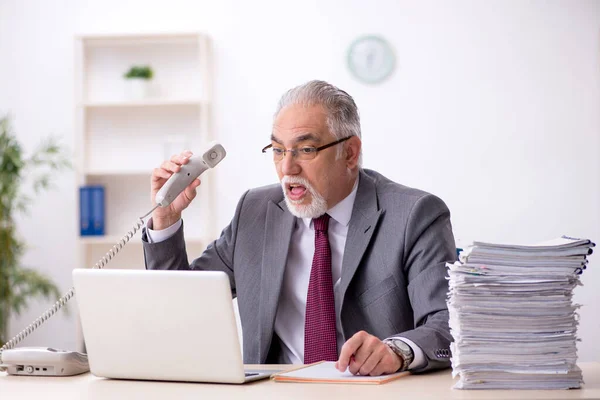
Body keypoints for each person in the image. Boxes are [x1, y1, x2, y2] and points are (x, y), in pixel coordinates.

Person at [143, 80, 456, 376]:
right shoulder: (255, 211)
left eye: (306, 150)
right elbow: (180, 308)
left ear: (349, 153)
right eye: (278, 150)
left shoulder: (414, 215)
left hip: (370, 390)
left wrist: (397, 351)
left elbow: (448, 324)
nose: (287, 168)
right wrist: (166, 219)